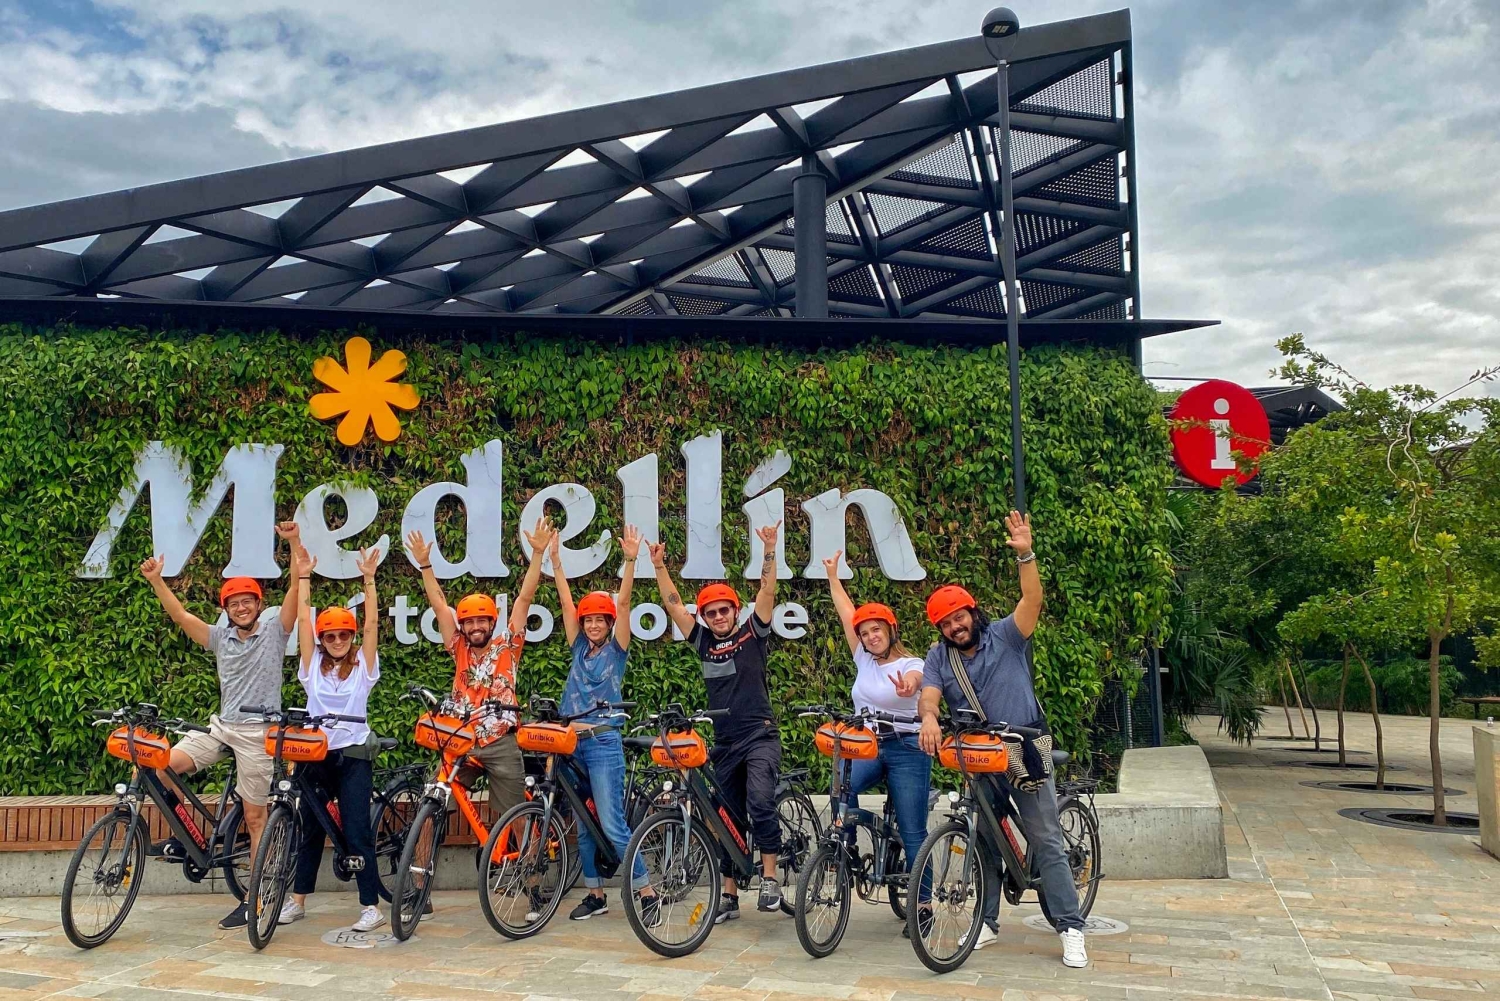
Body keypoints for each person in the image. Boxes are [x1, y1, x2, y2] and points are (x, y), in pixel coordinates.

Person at [916, 510, 1088, 969]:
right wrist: (929, 718)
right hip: (977, 755)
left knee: (1046, 838)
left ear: (972, 612)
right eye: (945, 624)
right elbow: (929, 695)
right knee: (985, 838)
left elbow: (1032, 599)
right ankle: (986, 922)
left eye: (959, 617)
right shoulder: (939, 657)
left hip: (1024, 747)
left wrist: (1026, 554)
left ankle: (1070, 927)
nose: (955, 627)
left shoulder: (1006, 636)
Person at [138, 521, 300, 930]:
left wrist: (295, 543)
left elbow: (297, 591)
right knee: (161, 765)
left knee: (256, 818)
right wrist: (156, 580)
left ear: (259, 605)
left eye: (248, 601)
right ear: (226, 609)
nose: (241, 608)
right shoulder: (219, 638)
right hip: (221, 727)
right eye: (234, 603)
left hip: (258, 734)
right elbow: (180, 615)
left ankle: (255, 898)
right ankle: (187, 835)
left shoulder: (275, 633)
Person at [652, 521, 785, 920]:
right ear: (705, 617)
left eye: (724, 609)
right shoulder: (704, 642)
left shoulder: (753, 633)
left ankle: (770, 877)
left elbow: (768, 591)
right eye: (711, 612)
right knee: (725, 818)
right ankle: (729, 895)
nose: (718, 616)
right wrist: (658, 566)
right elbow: (674, 606)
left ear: (735, 611)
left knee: (759, 802)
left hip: (759, 736)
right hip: (725, 743)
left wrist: (769, 549)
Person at [405, 517, 552, 829]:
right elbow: (439, 605)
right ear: (462, 626)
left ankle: (528, 861)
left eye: (481, 621)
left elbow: (524, 599)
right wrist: (425, 565)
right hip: (461, 737)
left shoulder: (508, 646)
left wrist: (538, 554)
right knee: (430, 803)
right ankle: (418, 862)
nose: (475, 627)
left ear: (492, 623)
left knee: (516, 818)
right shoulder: (459, 647)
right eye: (469, 622)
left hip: (500, 741)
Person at [546, 526, 658, 925]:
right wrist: (555, 560)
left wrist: (630, 560)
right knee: (583, 825)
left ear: (609, 623)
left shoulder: (617, 650)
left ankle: (646, 892)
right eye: (588, 620)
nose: (593, 625)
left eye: (600, 620)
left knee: (611, 824)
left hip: (603, 742)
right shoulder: (578, 646)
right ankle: (595, 895)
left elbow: (624, 604)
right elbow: (565, 601)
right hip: (569, 743)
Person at [277, 540, 386, 932]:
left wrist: (369, 580)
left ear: (351, 637)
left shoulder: (364, 668)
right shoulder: (311, 668)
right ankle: (297, 900)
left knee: (357, 829)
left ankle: (370, 906)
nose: (337, 641)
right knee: (309, 827)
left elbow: (372, 626)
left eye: (343, 635)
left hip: (353, 755)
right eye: (330, 636)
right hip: (317, 754)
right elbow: (304, 622)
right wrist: (304, 576)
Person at [821, 549, 931, 937]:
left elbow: (917, 682)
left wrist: (909, 687)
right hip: (867, 744)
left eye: (876, 630)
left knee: (914, 831)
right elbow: (845, 613)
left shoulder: (912, 664)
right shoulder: (864, 660)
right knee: (842, 784)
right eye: (865, 633)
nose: (870, 636)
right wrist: (833, 578)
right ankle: (845, 845)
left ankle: (923, 904)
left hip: (907, 747)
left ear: (891, 630)